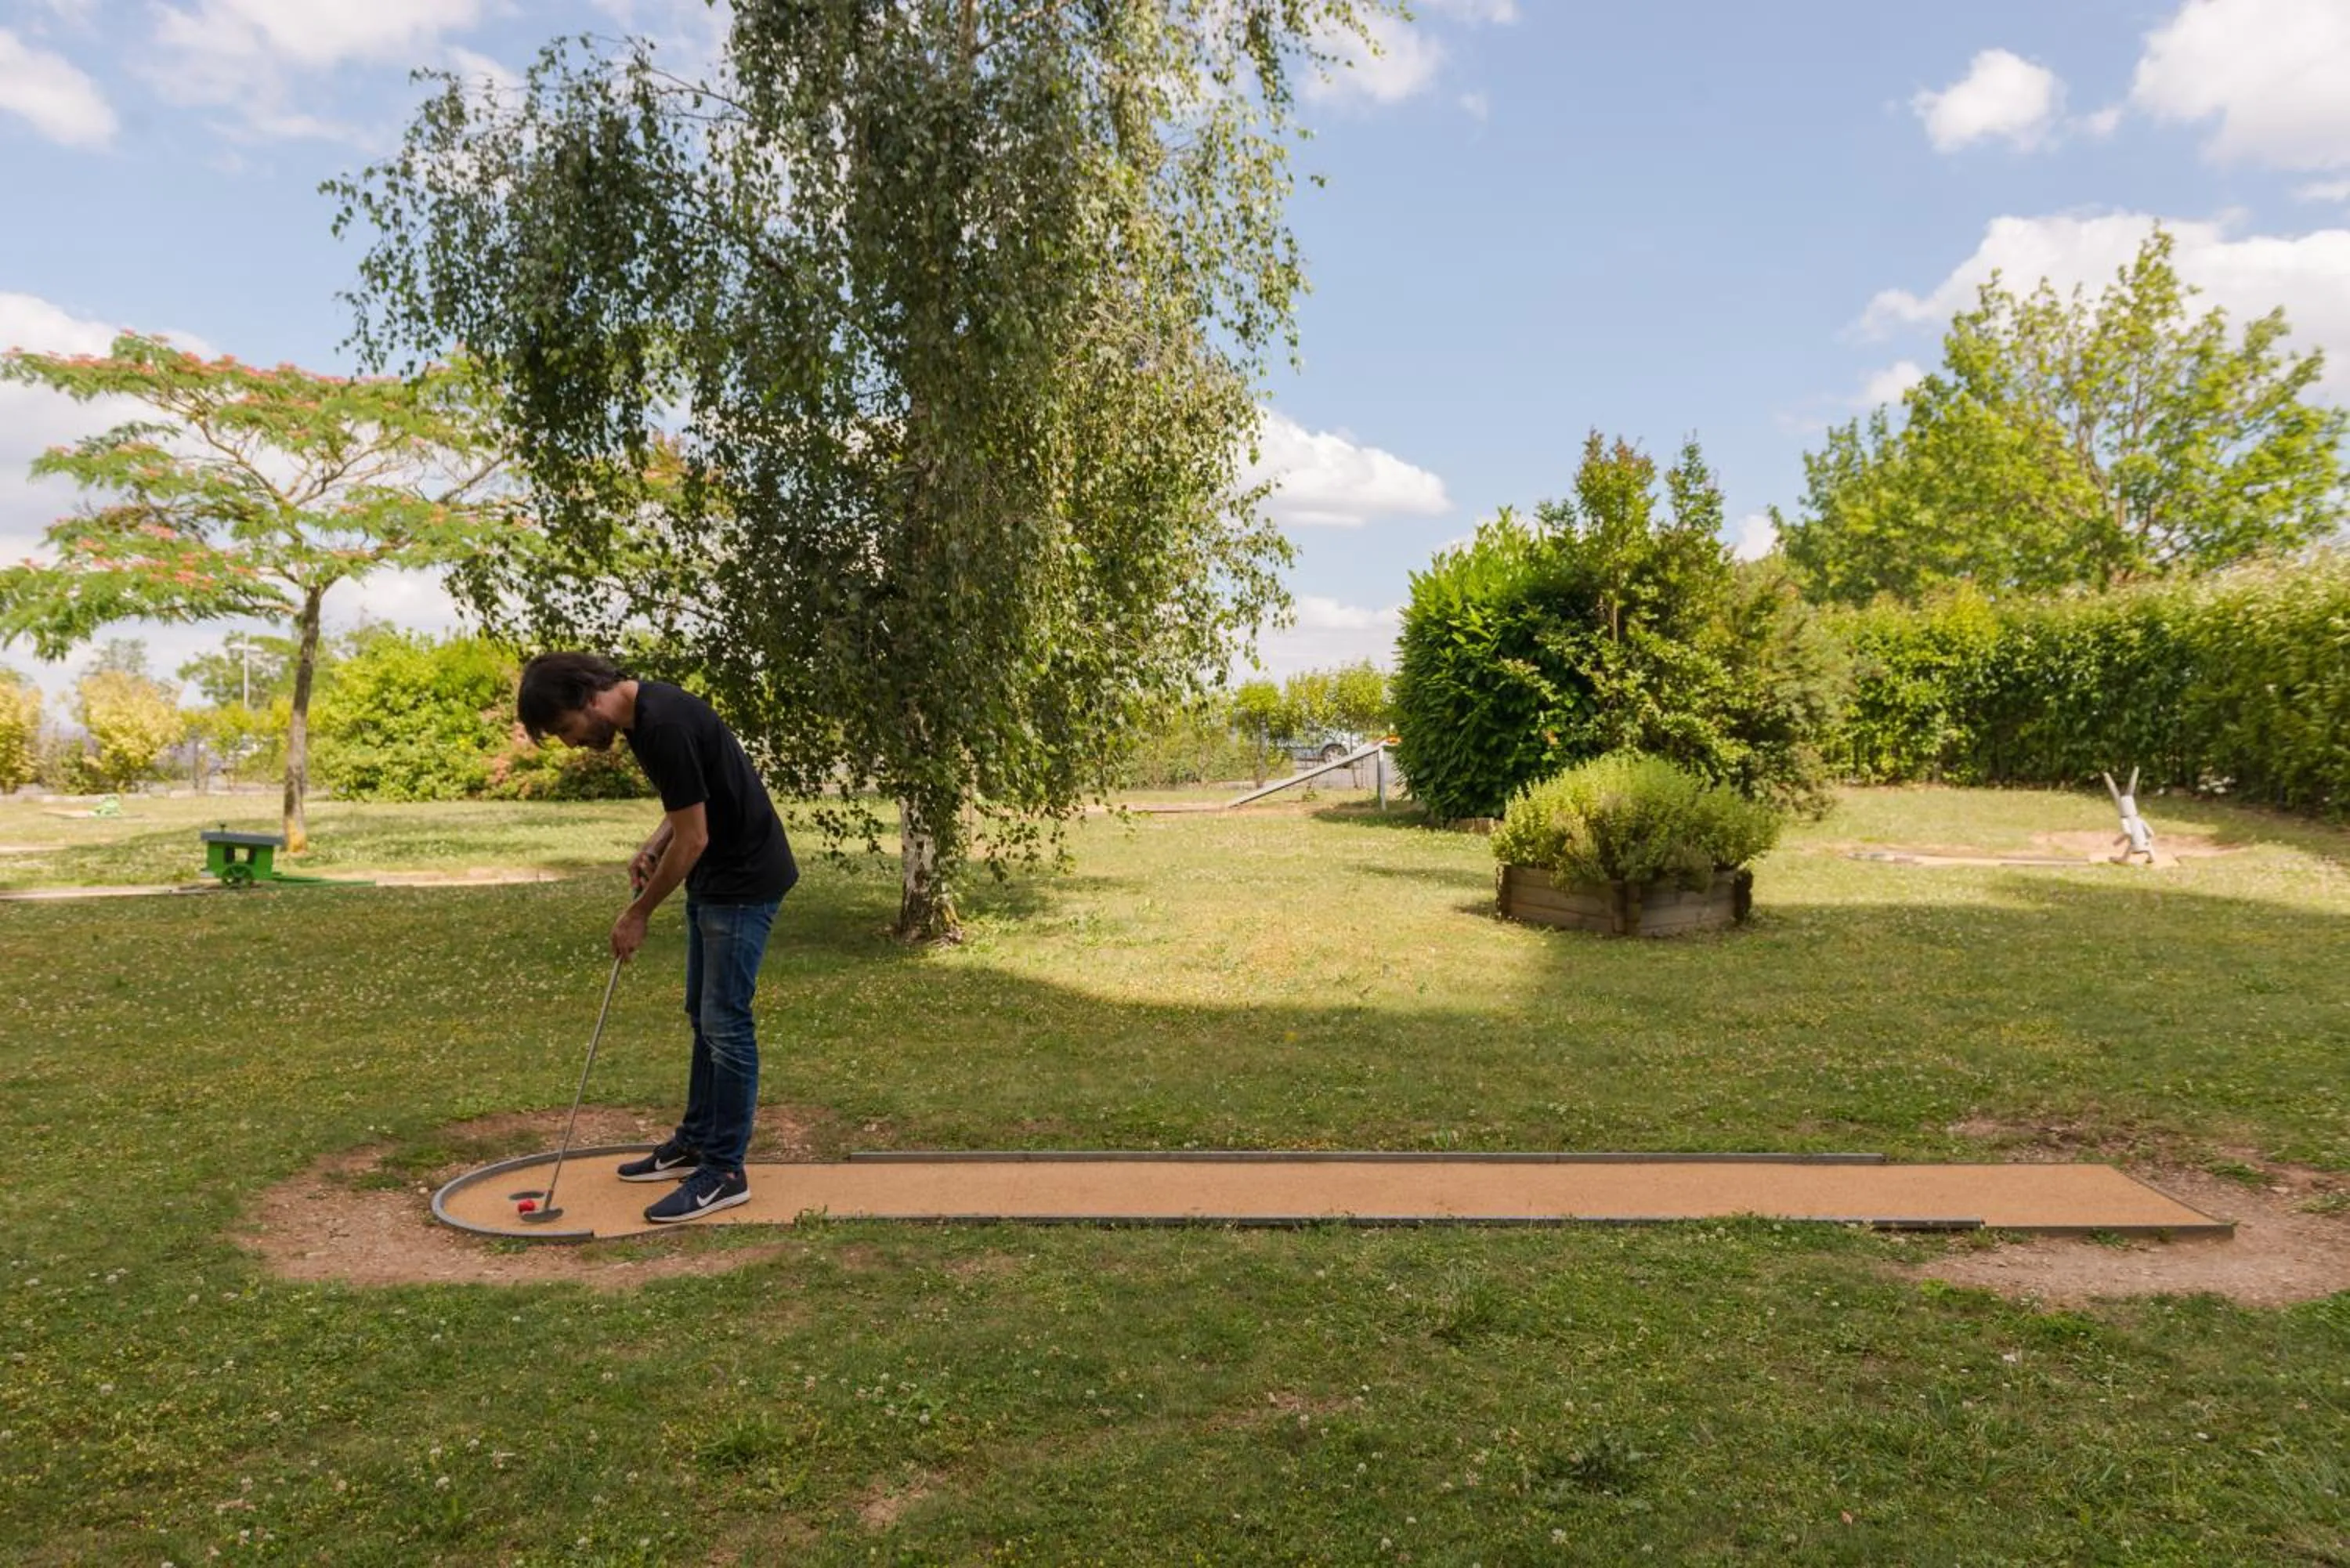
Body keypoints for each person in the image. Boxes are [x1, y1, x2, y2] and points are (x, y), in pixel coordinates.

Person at [515, 652, 797, 1223]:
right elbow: (689, 804)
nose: (571, 745)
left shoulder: (663, 724)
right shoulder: (642, 718)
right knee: (704, 1014)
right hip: (719, 876)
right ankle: (695, 1142)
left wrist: (639, 912)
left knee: (727, 1023)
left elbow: (693, 840)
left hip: (743, 879)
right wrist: (652, 842)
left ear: (585, 698)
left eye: (567, 731)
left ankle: (723, 1172)